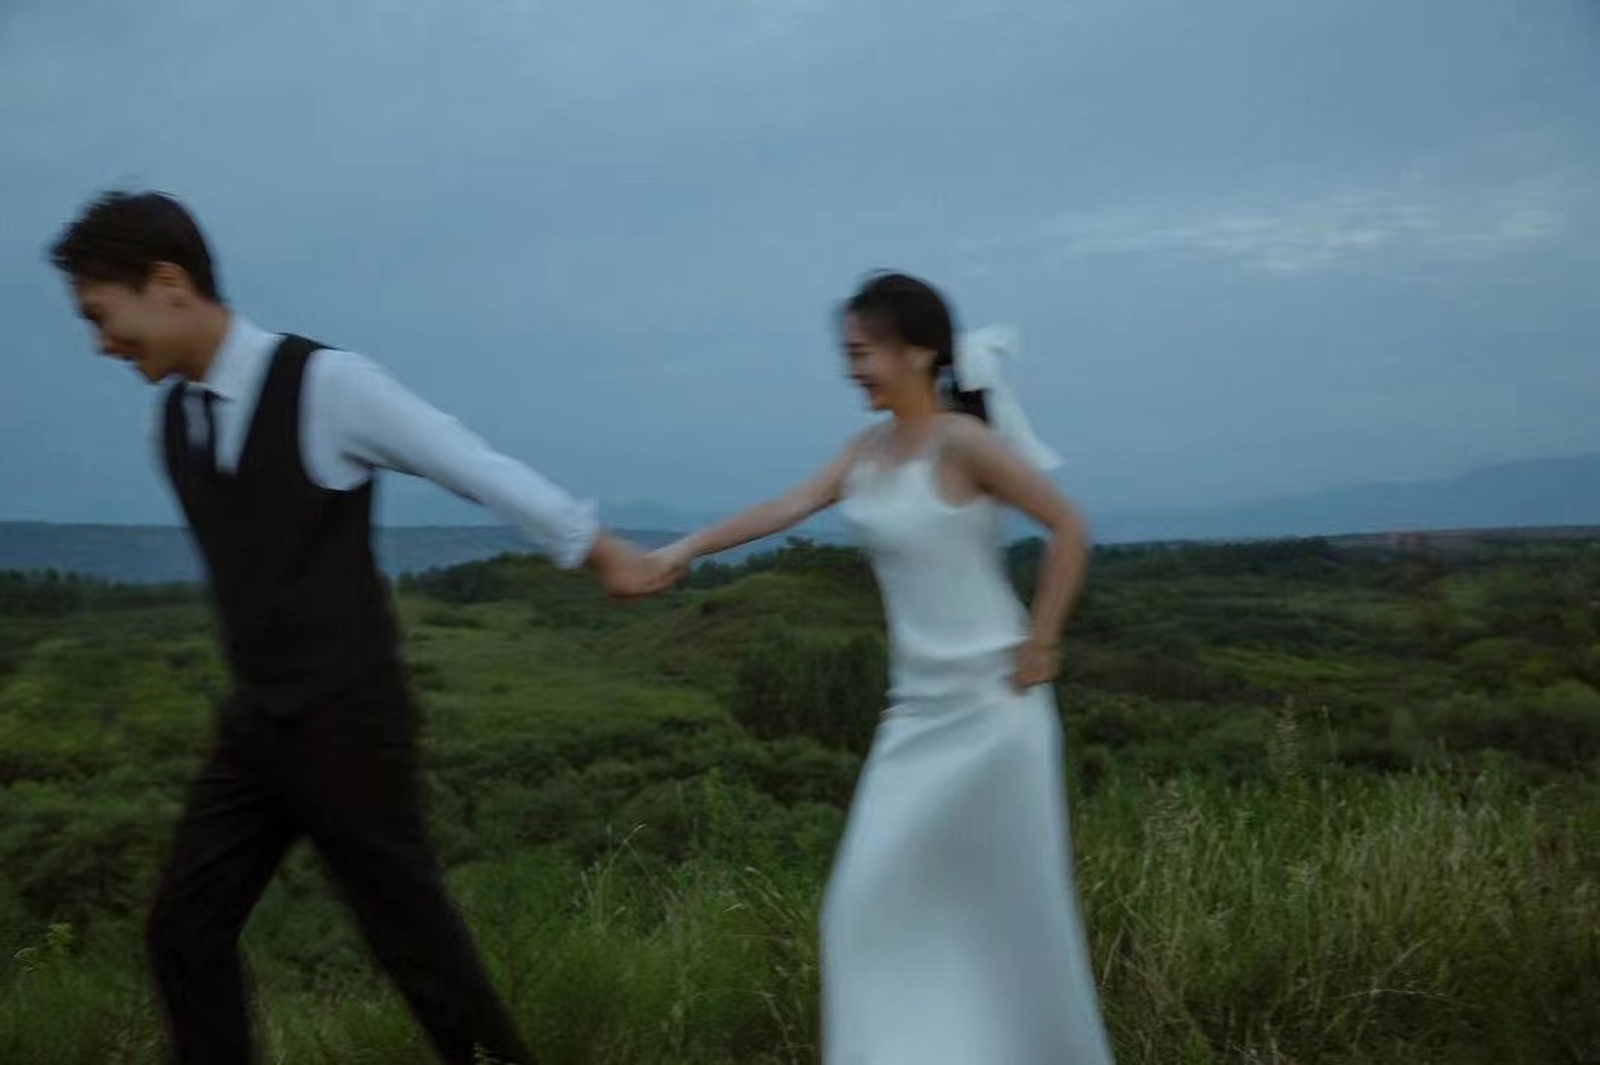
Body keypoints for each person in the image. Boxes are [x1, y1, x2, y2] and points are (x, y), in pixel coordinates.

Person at [46, 190, 676, 1065]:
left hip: (350, 720)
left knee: (416, 949)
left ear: (168, 282)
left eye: (100, 315)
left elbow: (464, 459)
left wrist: (596, 547)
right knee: (183, 930)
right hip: (257, 726)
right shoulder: (177, 421)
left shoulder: (324, 385)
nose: (101, 342)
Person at [652, 272, 1117, 1063]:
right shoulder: (863, 451)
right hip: (915, 715)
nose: (852, 369)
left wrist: (1043, 639)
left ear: (920, 351)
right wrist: (683, 549)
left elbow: (1068, 526)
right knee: (860, 911)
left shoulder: (963, 442)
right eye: (848, 354)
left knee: (1004, 919)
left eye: (863, 352)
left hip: (994, 709)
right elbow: (783, 508)